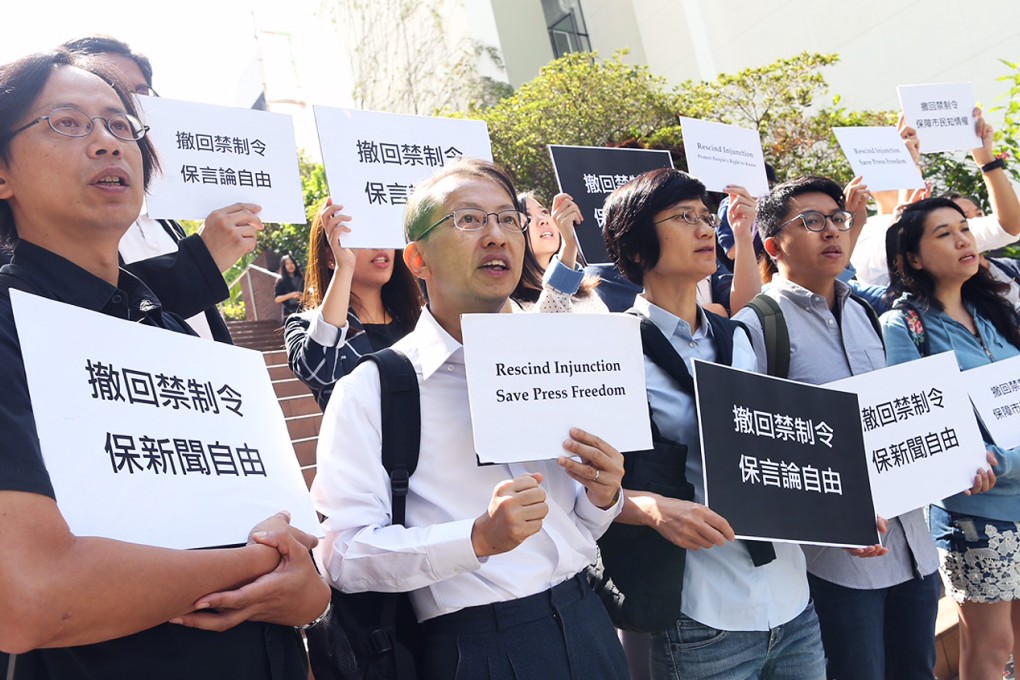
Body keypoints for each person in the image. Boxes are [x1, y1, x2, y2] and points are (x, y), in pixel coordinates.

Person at [0, 50, 329, 679]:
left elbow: (300, 564)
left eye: (121, 126)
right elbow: (33, 597)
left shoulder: (169, 330)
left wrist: (307, 594)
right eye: (66, 123)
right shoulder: (10, 325)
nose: (105, 143)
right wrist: (257, 568)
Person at [312, 158, 629, 679]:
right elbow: (343, 556)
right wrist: (478, 538)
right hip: (476, 648)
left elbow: (584, 523)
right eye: (468, 220)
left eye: (508, 219)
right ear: (416, 259)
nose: (496, 236)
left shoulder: (564, 357)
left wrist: (603, 493)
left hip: (590, 619)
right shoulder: (376, 389)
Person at [734, 177, 993, 679]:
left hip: (911, 549)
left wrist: (958, 460)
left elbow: (904, 418)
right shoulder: (758, 326)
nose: (831, 230)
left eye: (838, 218)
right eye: (810, 222)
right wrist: (831, 515)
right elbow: (756, 452)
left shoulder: (868, 312)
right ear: (772, 245)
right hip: (836, 564)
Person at [604, 168, 825, 680]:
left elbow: (780, 447)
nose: (706, 229)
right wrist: (655, 511)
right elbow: (588, 491)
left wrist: (844, 511)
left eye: (707, 217)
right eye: (684, 217)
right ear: (636, 248)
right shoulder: (610, 352)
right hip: (700, 609)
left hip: (791, 596)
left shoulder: (740, 339)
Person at [883, 197, 1020, 680]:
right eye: (944, 233)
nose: (964, 239)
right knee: (990, 644)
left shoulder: (998, 311)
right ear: (913, 257)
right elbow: (918, 426)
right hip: (976, 512)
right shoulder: (904, 327)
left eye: (964, 228)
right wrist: (988, 461)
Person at [63, 35, 263, 344]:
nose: (130, 107)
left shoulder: (166, 217)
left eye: (142, 93)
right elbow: (93, 312)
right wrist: (201, 261)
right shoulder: (45, 220)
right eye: (110, 88)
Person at [851, 109, 1020, 288]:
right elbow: (897, 248)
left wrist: (987, 161)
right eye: (892, 159)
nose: (961, 239)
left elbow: (1007, 226)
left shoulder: (940, 224)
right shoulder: (865, 235)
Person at [285, 197, 423, 410]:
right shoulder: (304, 325)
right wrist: (344, 267)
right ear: (329, 254)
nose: (379, 245)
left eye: (382, 232)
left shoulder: (421, 321)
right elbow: (317, 371)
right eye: (363, 234)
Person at [511, 191, 607, 313]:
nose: (543, 220)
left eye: (544, 212)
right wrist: (569, 246)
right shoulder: (512, 306)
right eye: (527, 218)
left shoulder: (586, 294)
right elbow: (546, 326)